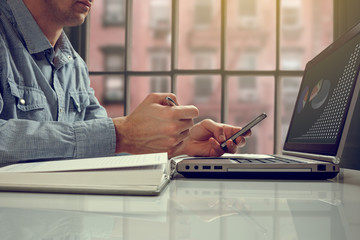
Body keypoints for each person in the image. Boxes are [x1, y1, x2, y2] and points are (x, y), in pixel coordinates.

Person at [0, 0, 250, 166]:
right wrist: (123, 133)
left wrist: (175, 143)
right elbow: (111, 137)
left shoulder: (73, 63)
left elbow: (100, 142)